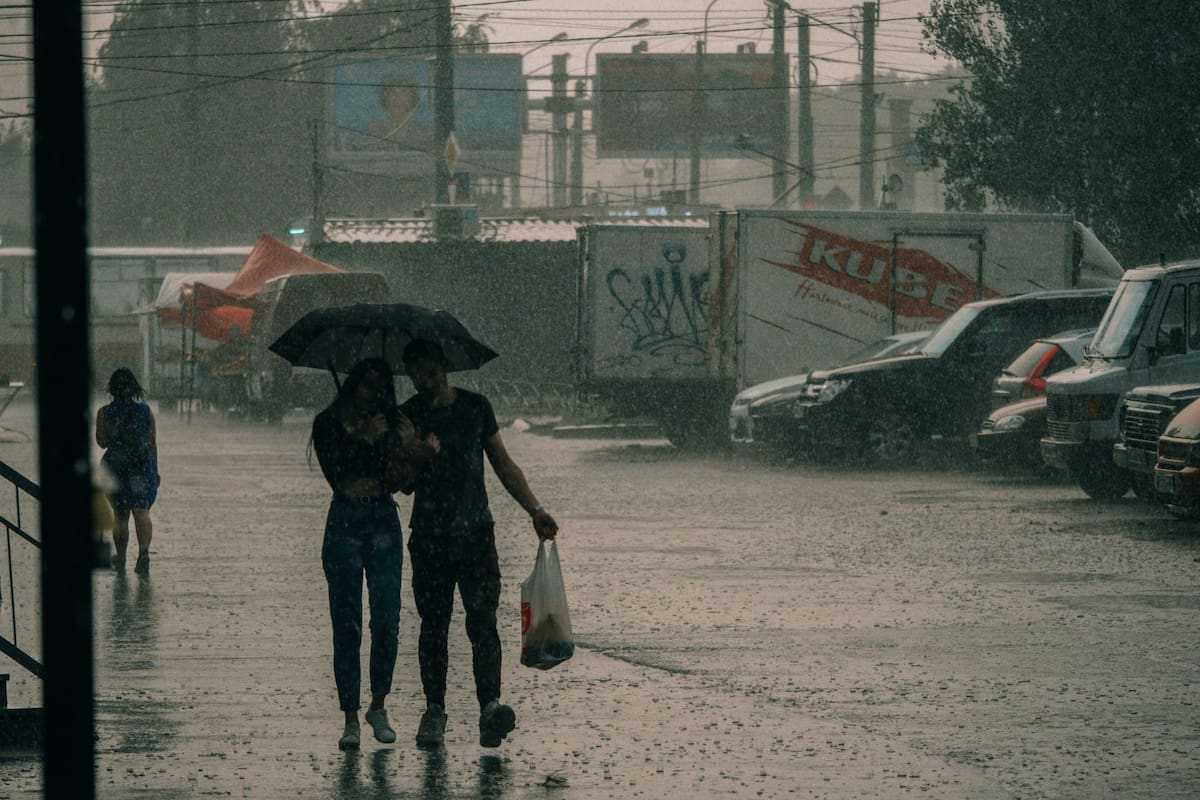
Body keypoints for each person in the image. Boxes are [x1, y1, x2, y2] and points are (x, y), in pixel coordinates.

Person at [399, 339, 559, 749]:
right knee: (433, 627)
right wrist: (419, 454)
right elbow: (400, 483)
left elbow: (502, 463)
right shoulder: (408, 417)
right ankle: (434, 711)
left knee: (482, 624)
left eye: (430, 373)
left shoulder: (475, 408)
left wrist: (534, 509)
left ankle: (490, 708)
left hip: (475, 536)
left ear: (445, 366)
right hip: (430, 538)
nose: (423, 382)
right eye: (415, 375)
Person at [310, 358, 438, 751]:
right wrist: (361, 436)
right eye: (365, 384)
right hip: (345, 522)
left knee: (386, 620)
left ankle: (377, 704)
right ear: (351, 385)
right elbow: (337, 476)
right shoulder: (328, 423)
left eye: (379, 386)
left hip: (383, 519)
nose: (372, 393)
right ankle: (350, 715)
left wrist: (413, 449)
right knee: (346, 623)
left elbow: (403, 484)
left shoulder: (392, 423)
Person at [95, 368, 159, 576]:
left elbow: (101, 441)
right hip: (141, 465)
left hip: (115, 467)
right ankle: (144, 554)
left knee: (120, 515)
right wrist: (155, 469)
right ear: (134, 388)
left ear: (112, 389)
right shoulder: (145, 412)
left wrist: (116, 435)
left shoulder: (104, 413)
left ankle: (121, 557)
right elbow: (151, 443)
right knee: (142, 511)